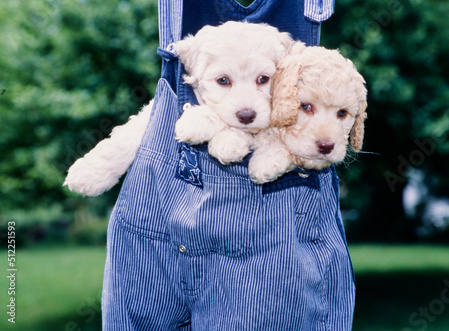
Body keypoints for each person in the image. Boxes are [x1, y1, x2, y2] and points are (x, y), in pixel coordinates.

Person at [101, 0, 355, 330]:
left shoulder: (292, 50)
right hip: (154, 233)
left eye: (264, 79)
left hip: (273, 252)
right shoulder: (190, 51)